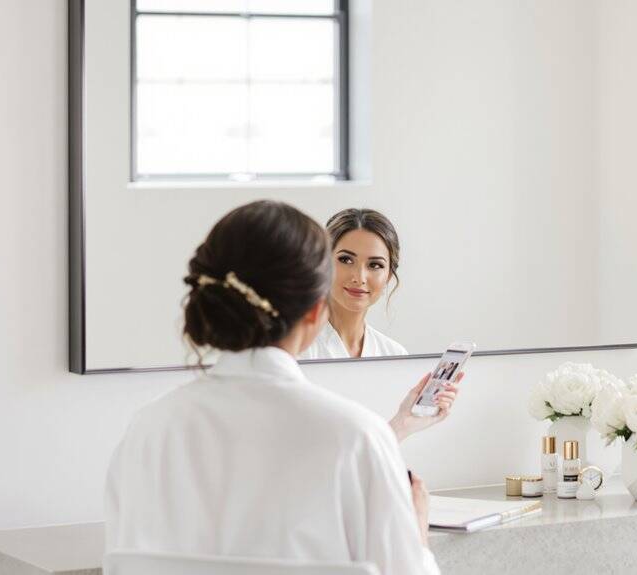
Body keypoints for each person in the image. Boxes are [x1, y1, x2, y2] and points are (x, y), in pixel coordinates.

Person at [105, 200, 460, 573]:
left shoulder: (147, 431)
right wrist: (416, 532)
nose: (359, 276)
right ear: (315, 309)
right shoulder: (357, 437)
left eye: (374, 265)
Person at [298, 208, 407, 360]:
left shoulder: (394, 355)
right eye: (346, 260)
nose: (360, 277)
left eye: (375, 265)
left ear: (388, 276)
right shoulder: (295, 349)